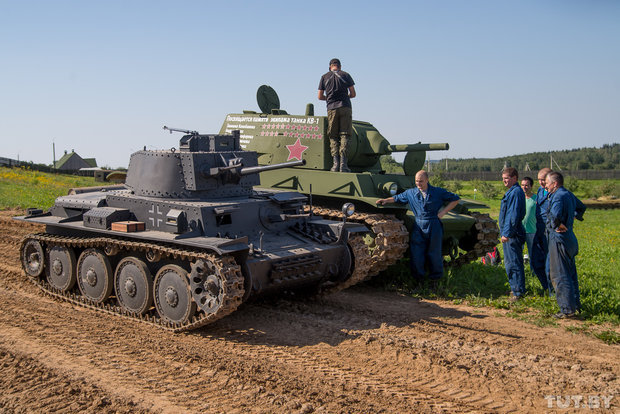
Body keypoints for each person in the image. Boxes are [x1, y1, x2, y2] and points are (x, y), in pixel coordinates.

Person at [376, 170, 460, 282]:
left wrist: (443, 212)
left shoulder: (437, 192)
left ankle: (435, 280)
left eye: (421, 181)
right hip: (419, 225)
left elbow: (456, 199)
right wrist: (386, 200)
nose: (418, 184)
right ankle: (418, 280)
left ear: (427, 180)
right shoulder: (411, 193)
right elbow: (397, 198)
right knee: (416, 254)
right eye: (416, 181)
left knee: (434, 253)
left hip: (433, 224)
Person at [545, 171, 586, 318]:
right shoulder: (568, 194)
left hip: (558, 239)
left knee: (559, 275)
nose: (546, 186)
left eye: (548, 183)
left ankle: (567, 310)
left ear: (555, 184)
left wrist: (559, 225)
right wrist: (571, 219)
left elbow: (555, 216)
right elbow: (582, 207)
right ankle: (575, 305)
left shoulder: (557, 196)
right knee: (570, 274)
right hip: (570, 239)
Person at [318, 58, 356, 172]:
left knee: (333, 136)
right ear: (339, 66)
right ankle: (343, 165)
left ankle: (335, 165)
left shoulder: (324, 77)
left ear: (330, 66)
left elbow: (319, 96)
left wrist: (329, 99)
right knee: (345, 135)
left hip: (331, 108)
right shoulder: (346, 75)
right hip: (345, 107)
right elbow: (353, 94)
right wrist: (344, 97)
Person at [499, 167, 526, 301]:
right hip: (511, 233)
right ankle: (516, 289)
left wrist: (507, 233)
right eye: (503, 178)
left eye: (507, 178)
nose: (504, 181)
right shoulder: (513, 192)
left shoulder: (515, 192)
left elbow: (513, 215)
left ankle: (517, 292)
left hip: (512, 234)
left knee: (513, 263)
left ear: (515, 178)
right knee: (512, 262)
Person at [521, 176, 550, 292]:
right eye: (523, 185)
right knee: (519, 253)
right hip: (521, 230)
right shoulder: (520, 198)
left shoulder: (536, 199)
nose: (524, 187)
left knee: (533, 255)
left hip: (532, 230)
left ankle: (534, 274)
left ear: (531, 186)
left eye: (527, 185)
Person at [532, 167, 552, 293]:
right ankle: (546, 286)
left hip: (550, 231)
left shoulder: (557, 192)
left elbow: (576, 207)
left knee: (551, 263)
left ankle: (552, 291)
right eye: (539, 180)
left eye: (543, 180)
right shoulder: (540, 191)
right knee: (536, 261)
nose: (541, 182)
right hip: (539, 230)